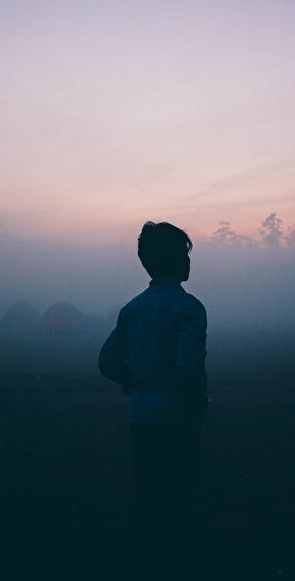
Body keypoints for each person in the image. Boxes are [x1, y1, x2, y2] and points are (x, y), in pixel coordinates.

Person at [98, 221, 208, 540]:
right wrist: (196, 401)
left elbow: (108, 360)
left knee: (147, 490)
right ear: (175, 260)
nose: (189, 262)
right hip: (178, 418)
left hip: (142, 415)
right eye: (185, 255)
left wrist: (132, 380)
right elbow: (189, 366)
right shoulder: (189, 308)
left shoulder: (133, 309)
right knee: (179, 494)